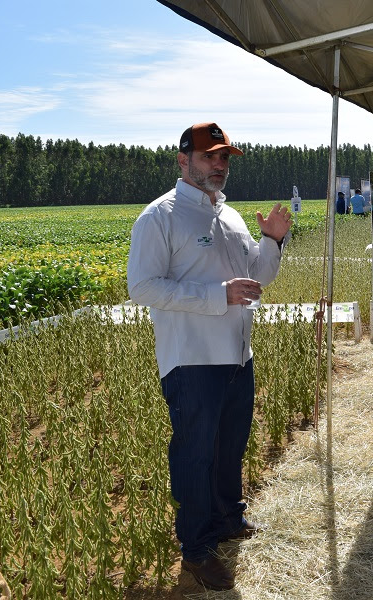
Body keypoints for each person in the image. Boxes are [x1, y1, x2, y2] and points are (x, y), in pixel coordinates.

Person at [127, 122, 292, 591]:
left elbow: (257, 277)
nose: (219, 165)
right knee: (196, 454)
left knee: (230, 446)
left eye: (224, 158)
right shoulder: (160, 217)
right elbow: (141, 287)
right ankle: (196, 548)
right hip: (192, 359)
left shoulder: (232, 217)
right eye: (209, 157)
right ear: (183, 161)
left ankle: (227, 519)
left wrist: (273, 242)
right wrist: (218, 295)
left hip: (239, 355)